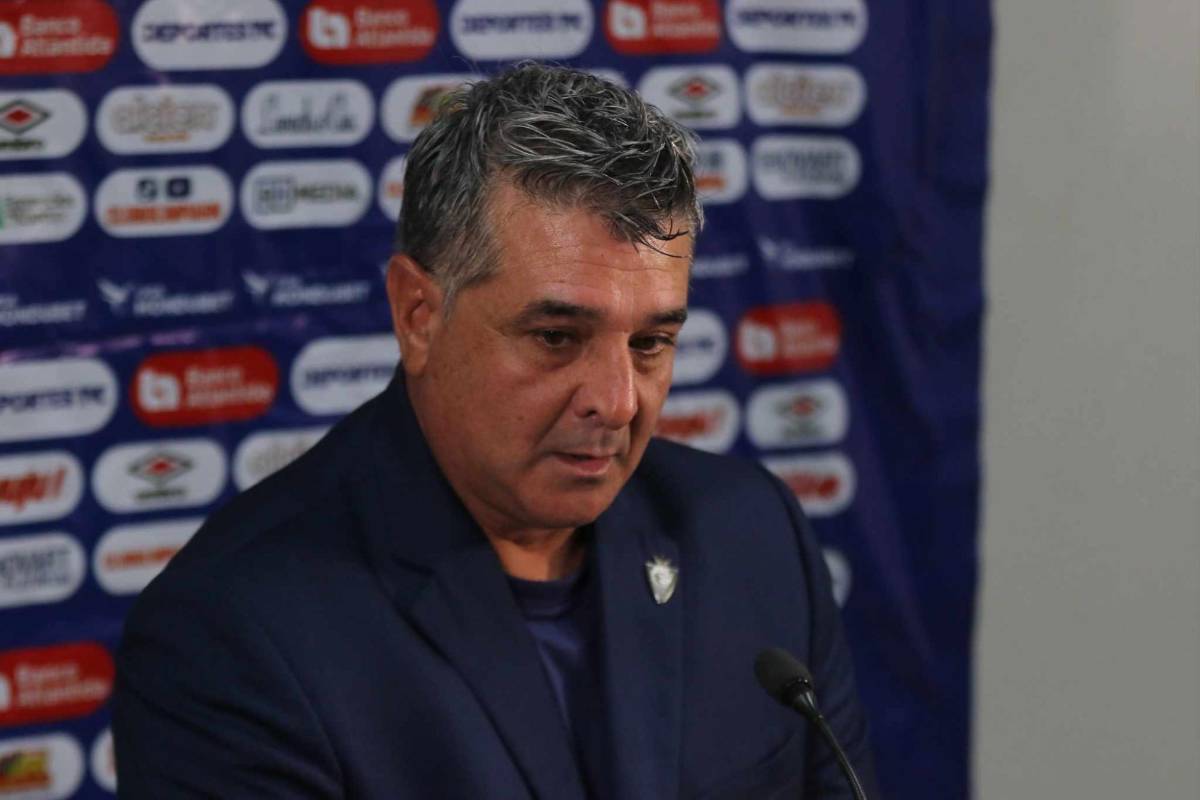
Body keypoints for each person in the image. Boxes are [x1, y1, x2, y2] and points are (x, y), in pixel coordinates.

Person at [113, 63, 878, 799]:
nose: (617, 402)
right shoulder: (232, 635)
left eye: (650, 343)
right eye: (556, 337)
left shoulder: (753, 535)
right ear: (419, 314)